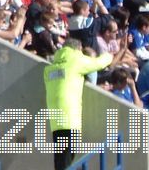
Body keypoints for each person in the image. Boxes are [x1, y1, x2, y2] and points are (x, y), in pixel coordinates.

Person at [43, 39, 113, 170]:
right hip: (70, 117)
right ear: (78, 49)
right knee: (66, 161)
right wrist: (109, 55)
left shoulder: (51, 67)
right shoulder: (75, 60)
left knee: (61, 159)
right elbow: (99, 63)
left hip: (56, 120)